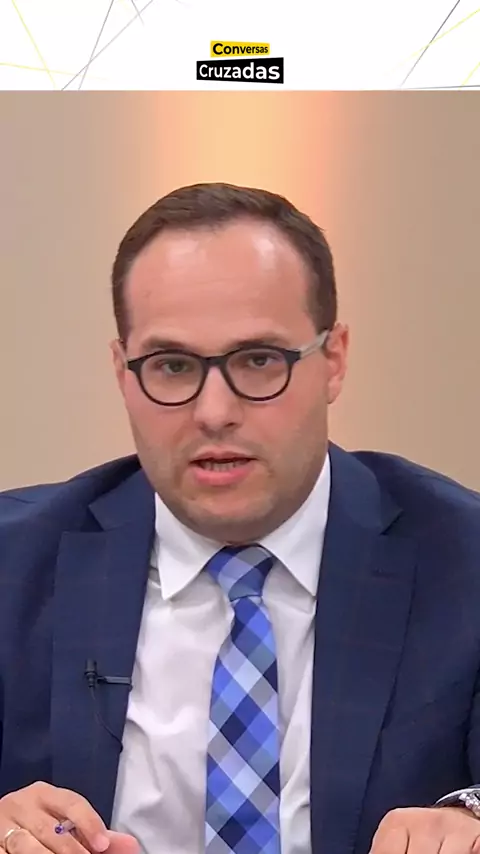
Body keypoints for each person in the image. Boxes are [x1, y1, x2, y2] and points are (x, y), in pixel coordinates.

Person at [1, 182, 480, 854]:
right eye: (172, 366)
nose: (214, 411)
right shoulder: (14, 562)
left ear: (334, 359)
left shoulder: (464, 560)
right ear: (123, 373)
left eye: (259, 361)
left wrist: (472, 817)